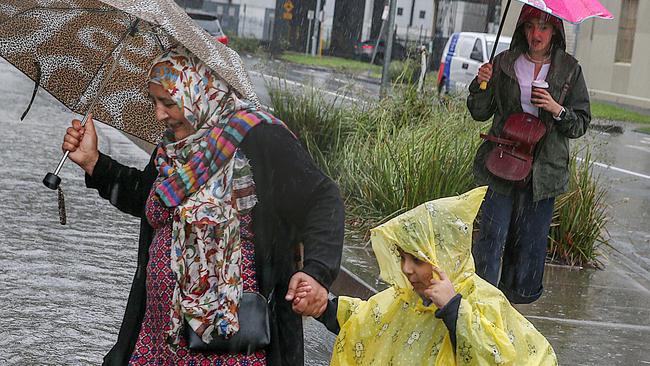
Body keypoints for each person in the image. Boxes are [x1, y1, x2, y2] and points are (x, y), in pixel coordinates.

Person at [61, 45, 344, 365]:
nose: (159, 114)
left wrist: (317, 273)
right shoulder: (174, 146)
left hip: (229, 347)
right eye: (154, 102)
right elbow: (149, 201)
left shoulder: (258, 137)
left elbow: (322, 199)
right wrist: (94, 163)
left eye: (168, 102)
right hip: (158, 338)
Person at [298, 187, 557, 365]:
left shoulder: (483, 303)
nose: (406, 269)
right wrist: (325, 309)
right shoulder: (407, 299)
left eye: (418, 260)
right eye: (402, 257)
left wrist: (455, 310)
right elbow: (368, 321)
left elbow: (495, 357)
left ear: (444, 256)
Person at [467, 5, 591, 304]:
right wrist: (481, 82)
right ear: (523, 28)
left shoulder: (569, 70)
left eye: (545, 28)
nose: (537, 34)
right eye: (532, 26)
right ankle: (482, 303)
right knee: (491, 239)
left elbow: (580, 124)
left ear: (555, 32)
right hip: (502, 164)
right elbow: (479, 112)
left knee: (528, 247)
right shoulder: (505, 62)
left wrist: (555, 108)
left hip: (543, 172)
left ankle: (513, 309)